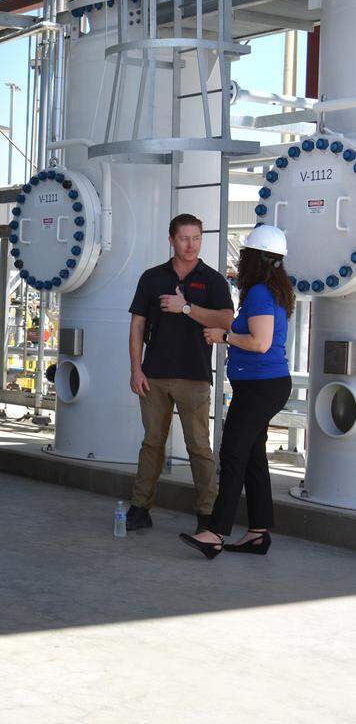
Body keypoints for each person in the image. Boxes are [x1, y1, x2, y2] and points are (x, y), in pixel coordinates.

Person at [181, 225, 293, 558]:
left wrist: (223, 337)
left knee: (232, 454)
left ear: (255, 259)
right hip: (264, 385)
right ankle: (258, 532)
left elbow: (260, 343)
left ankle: (214, 532)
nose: (241, 261)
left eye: (244, 255)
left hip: (260, 387)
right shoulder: (272, 289)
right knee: (254, 457)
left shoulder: (259, 292)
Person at [127, 213, 235, 533]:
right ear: (171, 239)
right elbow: (137, 325)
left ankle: (206, 514)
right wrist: (136, 369)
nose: (191, 245)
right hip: (154, 376)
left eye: (197, 238)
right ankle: (139, 507)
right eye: (185, 238)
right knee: (152, 444)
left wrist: (186, 307)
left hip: (195, 376)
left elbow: (228, 321)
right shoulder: (151, 277)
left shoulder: (213, 280)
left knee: (199, 447)